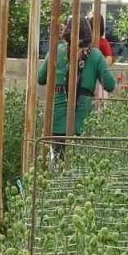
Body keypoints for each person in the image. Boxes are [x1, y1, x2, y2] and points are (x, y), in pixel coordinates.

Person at [37, 17, 116, 162]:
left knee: (57, 162)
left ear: (66, 31)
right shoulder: (96, 55)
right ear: (88, 32)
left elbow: (40, 79)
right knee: (79, 165)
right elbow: (110, 85)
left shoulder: (55, 52)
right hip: (83, 120)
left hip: (57, 118)